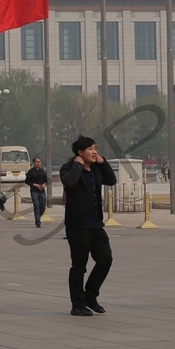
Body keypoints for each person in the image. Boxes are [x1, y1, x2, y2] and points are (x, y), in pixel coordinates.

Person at [59, 135, 116, 316]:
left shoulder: (97, 169)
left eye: (95, 148)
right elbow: (69, 182)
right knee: (79, 266)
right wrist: (77, 165)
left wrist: (103, 161)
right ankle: (77, 304)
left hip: (96, 225)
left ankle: (90, 295)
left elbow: (111, 180)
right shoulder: (68, 168)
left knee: (105, 259)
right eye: (90, 149)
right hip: (77, 226)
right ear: (80, 152)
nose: (94, 152)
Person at [24, 156, 49, 227]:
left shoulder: (42, 171)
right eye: (36, 162)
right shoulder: (31, 172)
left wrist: (44, 184)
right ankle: (38, 221)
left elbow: (46, 180)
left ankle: (37, 216)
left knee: (43, 206)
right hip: (34, 191)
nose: (38, 163)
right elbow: (27, 181)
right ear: (33, 163)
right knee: (37, 206)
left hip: (42, 191)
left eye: (39, 162)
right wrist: (34, 185)